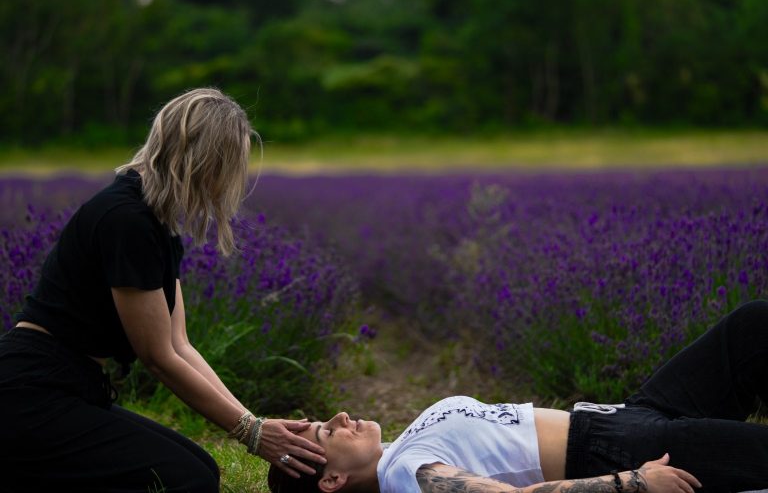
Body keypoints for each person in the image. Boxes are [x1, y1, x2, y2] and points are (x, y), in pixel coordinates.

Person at [0, 88, 325, 492]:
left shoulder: (157, 221)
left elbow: (179, 344)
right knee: (186, 480)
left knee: (201, 468)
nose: (233, 181)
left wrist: (253, 423)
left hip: (71, 385)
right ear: (206, 161)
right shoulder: (126, 219)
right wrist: (251, 432)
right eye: (232, 165)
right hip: (29, 390)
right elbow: (157, 357)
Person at [268, 300, 768, 493]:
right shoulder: (405, 475)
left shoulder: (399, 449)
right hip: (622, 452)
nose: (340, 416)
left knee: (752, 327)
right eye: (326, 432)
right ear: (332, 479)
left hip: (628, 414)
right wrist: (632, 482)